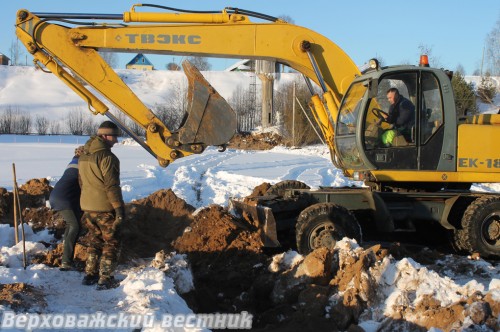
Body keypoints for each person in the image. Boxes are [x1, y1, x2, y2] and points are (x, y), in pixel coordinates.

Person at [78, 121, 125, 290]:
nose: (116, 141)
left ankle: (89, 274)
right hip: (104, 207)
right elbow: (111, 186)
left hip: (87, 206)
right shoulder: (107, 158)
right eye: (114, 137)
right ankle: (105, 278)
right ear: (105, 136)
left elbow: (81, 182)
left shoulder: (84, 156)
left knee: (95, 240)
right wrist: (119, 209)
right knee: (111, 241)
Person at [49, 146, 84, 271]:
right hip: (65, 199)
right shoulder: (81, 164)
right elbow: (83, 185)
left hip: (56, 195)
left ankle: (66, 257)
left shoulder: (72, 163)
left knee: (71, 224)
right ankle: (66, 262)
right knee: (76, 226)